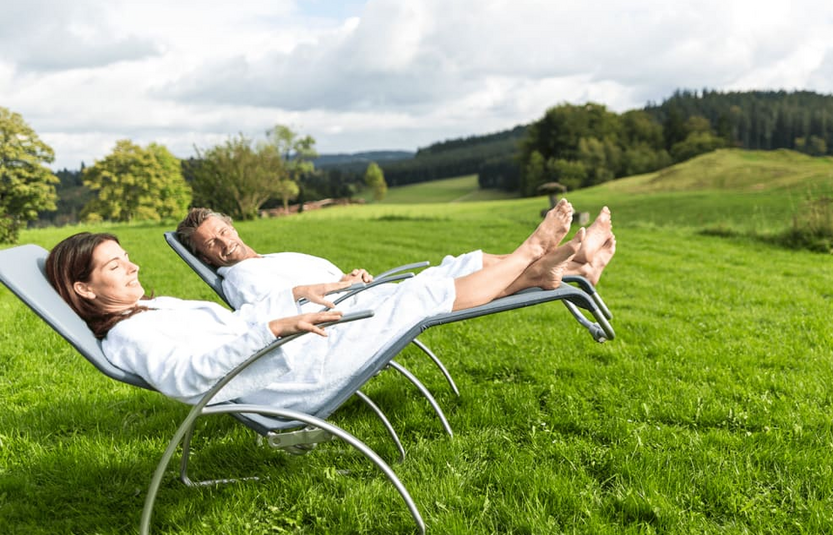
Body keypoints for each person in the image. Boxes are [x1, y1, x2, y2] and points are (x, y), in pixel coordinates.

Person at [45, 202, 611, 414]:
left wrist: (296, 296)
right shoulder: (130, 338)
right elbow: (193, 380)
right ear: (86, 291)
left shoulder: (151, 309)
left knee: (416, 287)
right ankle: (537, 257)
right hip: (289, 381)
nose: (134, 268)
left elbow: (237, 325)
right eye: (116, 267)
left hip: (291, 351)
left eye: (127, 257)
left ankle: (547, 267)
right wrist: (274, 326)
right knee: (414, 295)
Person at [175, 205, 616, 312]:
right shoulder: (239, 280)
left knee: (461, 263)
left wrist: (347, 277)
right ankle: (536, 253)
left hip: (359, 299)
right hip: (351, 321)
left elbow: (319, 281)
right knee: (435, 287)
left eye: (223, 232)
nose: (223, 244)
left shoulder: (269, 257)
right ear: (207, 259)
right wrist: (340, 287)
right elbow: (274, 308)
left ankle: (574, 268)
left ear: (232, 225)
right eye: (210, 246)